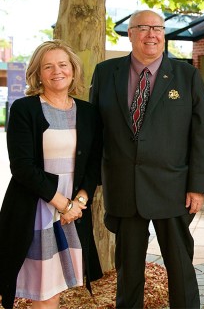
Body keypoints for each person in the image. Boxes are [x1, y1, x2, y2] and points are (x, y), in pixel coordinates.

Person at [89, 9, 204, 308]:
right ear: (130, 34)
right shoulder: (106, 73)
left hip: (172, 188)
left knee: (180, 267)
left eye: (157, 28)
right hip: (125, 188)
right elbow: (95, 131)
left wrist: (197, 185)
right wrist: (91, 182)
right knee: (128, 270)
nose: (151, 34)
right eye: (143, 28)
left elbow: (201, 134)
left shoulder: (187, 75)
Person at [0, 40, 103, 309]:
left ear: (73, 70)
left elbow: (94, 164)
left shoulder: (89, 112)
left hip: (73, 215)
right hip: (37, 211)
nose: (56, 71)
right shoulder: (25, 109)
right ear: (38, 73)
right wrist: (63, 204)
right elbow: (22, 166)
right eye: (48, 66)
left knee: (57, 287)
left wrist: (79, 203)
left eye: (62, 64)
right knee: (44, 291)